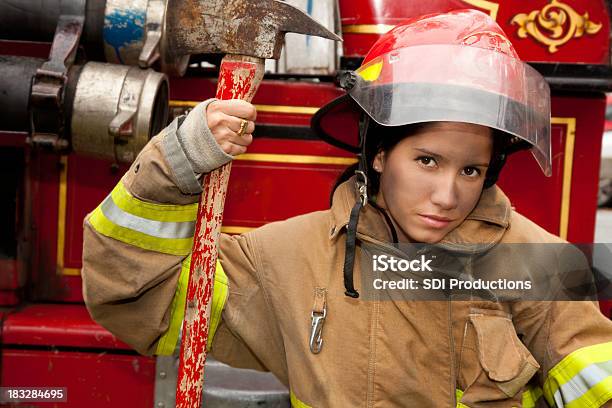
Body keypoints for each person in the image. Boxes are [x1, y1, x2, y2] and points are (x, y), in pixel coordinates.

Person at [81, 9, 612, 407]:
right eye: (427, 160)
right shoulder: (288, 257)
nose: (449, 195)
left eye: (470, 170)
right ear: (379, 154)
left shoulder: (536, 262)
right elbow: (141, 302)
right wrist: (176, 163)